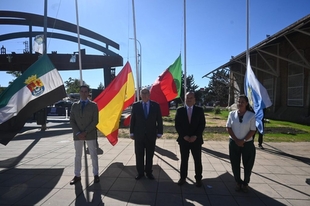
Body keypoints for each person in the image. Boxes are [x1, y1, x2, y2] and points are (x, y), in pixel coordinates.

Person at [130, 88, 163, 180]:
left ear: (149, 94)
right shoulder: (136, 105)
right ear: (140, 95)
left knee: (150, 154)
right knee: (139, 154)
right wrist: (131, 132)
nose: (144, 95)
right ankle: (140, 173)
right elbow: (133, 120)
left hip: (151, 134)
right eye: (142, 93)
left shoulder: (155, 105)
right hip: (139, 134)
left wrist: (160, 132)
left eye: (146, 93)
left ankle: (149, 172)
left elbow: (159, 120)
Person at [69, 85, 100, 185]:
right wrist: (78, 132)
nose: (83, 93)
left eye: (85, 91)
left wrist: (85, 131)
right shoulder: (74, 105)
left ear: (88, 93)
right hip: (77, 135)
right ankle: (77, 175)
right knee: (78, 156)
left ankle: (96, 175)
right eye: (82, 91)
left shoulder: (94, 105)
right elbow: (72, 120)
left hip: (90, 134)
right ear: (79, 92)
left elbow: (95, 120)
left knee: (93, 155)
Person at [175, 91, 206, 187]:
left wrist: (195, 136)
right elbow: (177, 125)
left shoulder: (199, 110)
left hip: (196, 140)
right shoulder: (180, 110)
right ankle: (183, 178)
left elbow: (202, 124)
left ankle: (198, 179)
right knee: (184, 160)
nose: (189, 99)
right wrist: (184, 135)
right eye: (187, 98)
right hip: (183, 140)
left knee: (197, 160)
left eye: (191, 98)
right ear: (185, 99)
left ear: (194, 100)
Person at [226, 94, 256, 193]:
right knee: (235, 163)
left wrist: (243, 140)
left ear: (247, 103)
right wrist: (236, 140)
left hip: (247, 144)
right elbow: (228, 128)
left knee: (248, 164)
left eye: (242, 102)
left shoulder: (251, 115)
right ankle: (238, 182)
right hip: (234, 143)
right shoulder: (231, 114)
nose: (240, 103)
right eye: (238, 101)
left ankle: (246, 183)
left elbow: (252, 130)